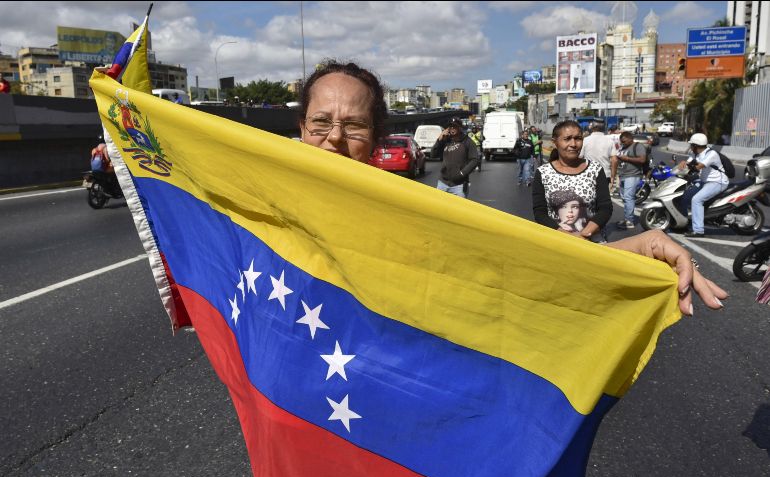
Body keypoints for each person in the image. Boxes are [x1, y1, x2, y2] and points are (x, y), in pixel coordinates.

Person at [298, 60, 726, 315]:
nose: (334, 136)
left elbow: (511, 265)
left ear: (375, 136)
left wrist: (638, 250)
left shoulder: (409, 213)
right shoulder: (249, 201)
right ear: (301, 128)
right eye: (320, 122)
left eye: (353, 125)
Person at [532, 120, 612, 243]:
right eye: (567, 139)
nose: (573, 144)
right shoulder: (543, 173)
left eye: (578, 138)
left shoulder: (595, 169)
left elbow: (605, 208)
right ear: (555, 143)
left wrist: (584, 235)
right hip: (556, 242)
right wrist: (567, 237)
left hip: (592, 243)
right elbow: (540, 213)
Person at [676, 133, 729, 238]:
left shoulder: (711, 154)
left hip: (718, 182)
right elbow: (687, 163)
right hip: (704, 182)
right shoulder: (695, 154)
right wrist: (683, 163)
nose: (690, 147)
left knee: (696, 200)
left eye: (691, 145)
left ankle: (698, 230)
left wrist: (689, 165)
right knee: (685, 195)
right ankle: (683, 223)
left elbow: (699, 166)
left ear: (696, 145)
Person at [431, 117, 480, 198]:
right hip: (443, 183)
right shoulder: (446, 141)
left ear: (460, 128)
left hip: (459, 186)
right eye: (450, 127)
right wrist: (439, 140)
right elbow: (433, 155)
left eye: (455, 126)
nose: (452, 129)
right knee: (439, 209)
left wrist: (462, 173)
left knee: (459, 209)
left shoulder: (467, 141)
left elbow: (474, 160)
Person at [611, 131, 647, 230]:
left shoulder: (638, 146)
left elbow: (642, 160)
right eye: (621, 142)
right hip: (623, 175)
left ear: (630, 139)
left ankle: (629, 221)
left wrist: (626, 158)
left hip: (633, 175)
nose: (623, 143)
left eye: (624, 141)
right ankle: (627, 218)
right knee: (624, 198)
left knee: (628, 197)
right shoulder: (623, 147)